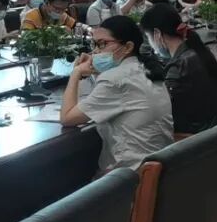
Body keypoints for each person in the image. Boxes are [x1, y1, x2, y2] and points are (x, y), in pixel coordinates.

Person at [59, 16, 173, 172]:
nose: (95, 52)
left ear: (127, 47)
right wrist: (98, 70)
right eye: (94, 45)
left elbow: (67, 118)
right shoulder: (147, 68)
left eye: (102, 44)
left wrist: (76, 72)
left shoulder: (115, 79)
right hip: (162, 170)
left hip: (129, 177)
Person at [140, 4, 217, 134]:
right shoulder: (200, 51)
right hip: (214, 133)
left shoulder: (178, 66)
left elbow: (163, 111)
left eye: (148, 37)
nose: (150, 44)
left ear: (157, 34)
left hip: (192, 138)